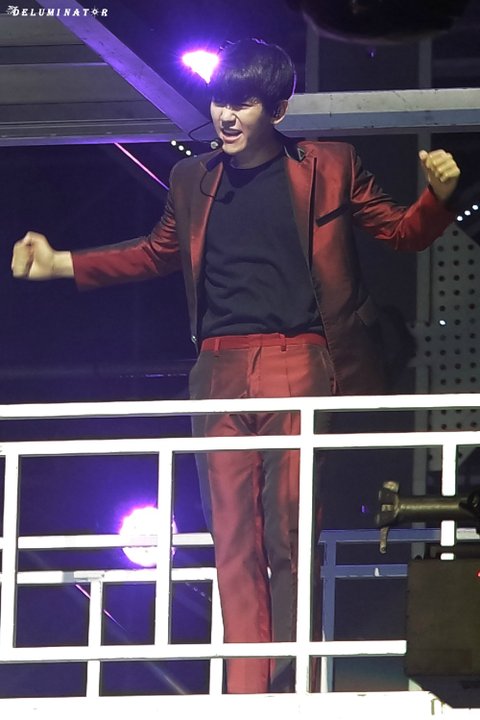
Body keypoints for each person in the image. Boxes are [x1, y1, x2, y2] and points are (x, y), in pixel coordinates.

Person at [11, 38, 460, 694]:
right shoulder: (191, 178)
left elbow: (401, 232)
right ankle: (249, 693)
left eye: (243, 103)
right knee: (232, 538)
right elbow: (157, 251)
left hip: (299, 360)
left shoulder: (331, 164)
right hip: (217, 368)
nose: (225, 115)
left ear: (276, 109)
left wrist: (439, 197)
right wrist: (63, 264)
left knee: (289, 531)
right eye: (220, 100)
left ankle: (293, 685)